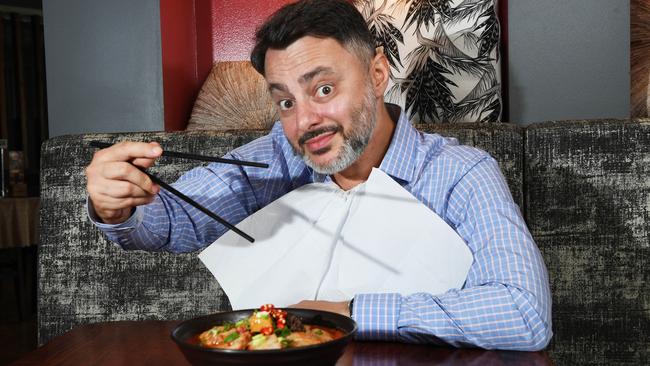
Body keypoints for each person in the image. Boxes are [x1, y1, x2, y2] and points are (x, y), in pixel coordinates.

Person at [85, 0, 552, 350]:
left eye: (323, 88)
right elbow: (174, 219)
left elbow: (524, 314)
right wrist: (120, 205)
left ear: (376, 73)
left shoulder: (460, 175)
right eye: (286, 100)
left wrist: (349, 312)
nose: (304, 120)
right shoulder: (275, 157)